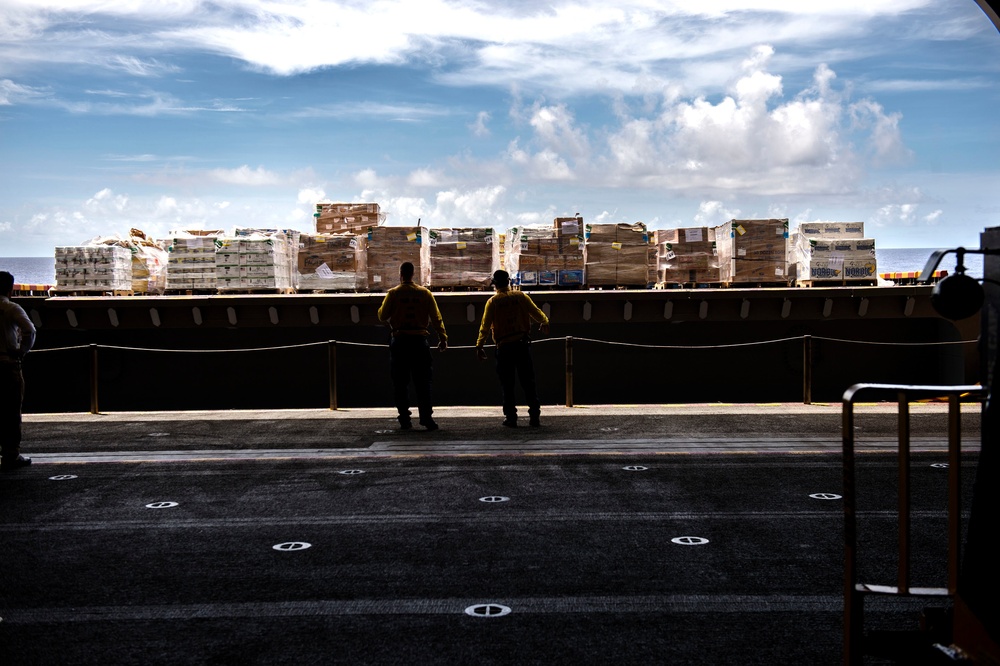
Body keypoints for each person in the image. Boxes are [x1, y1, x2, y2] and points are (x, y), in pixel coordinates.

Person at [377, 262, 448, 431]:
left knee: (400, 383)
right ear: (413, 274)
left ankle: (404, 419)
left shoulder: (393, 294)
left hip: (400, 341)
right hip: (419, 341)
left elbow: (382, 316)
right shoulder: (425, 293)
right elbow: (436, 317)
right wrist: (442, 337)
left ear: (401, 274)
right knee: (423, 382)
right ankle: (426, 418)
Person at [475, 269, 550, 427]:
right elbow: (536, 313)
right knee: (528, 382)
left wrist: (479, 345)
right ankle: (534, 416)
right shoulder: (521, 297)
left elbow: (485, 326)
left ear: (495, 285)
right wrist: (545, 321)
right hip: (522, 345)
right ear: (509, 282)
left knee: (507, 384)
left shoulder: (492, 302)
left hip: (504, 348)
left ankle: (511, 417)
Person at [1, 271, 36, 472]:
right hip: (7, 363)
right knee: (11, 410)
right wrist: (21, 351)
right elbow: (30, 330)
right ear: (10, 289)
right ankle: (11, 454)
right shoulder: (11, 308)